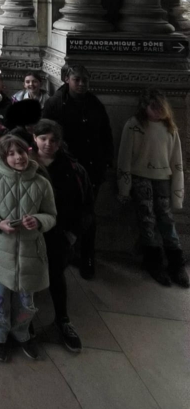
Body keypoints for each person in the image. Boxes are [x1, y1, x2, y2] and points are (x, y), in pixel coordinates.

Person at [0, 134, 57, 362]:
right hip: (0, 249)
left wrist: (39, 221)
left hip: (31, 251)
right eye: (10, 154)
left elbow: (51, 214)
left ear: (28, 152)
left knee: (26, 299)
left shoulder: (41, 182)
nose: (17, 157)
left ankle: (22, 331)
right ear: (3, 157)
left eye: (20, 152)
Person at [42, 65, 113, 279]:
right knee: (63, 211)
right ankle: (65, 253)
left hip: (91, 168)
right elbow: (45, 132)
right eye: (77, 79)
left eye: (85, 80)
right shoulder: (55, 103)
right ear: (67, 79)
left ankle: (87, 256)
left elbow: (105, 134)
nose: (81, 84)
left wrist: (107, 162)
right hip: (64, 168)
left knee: (87, 214)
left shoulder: (95, 104)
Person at [117, 88, 188, 287]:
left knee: (166, 219)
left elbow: (177, 162)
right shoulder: (134, 126)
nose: (156, 111)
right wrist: (124, 187)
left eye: (160, 107)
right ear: (144, 107)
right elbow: (125, 159)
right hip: (141, 179)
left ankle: (176, 263)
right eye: (152, 106)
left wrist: (178, 194)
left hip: (162, 179)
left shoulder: (170, 129)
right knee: (147, 219)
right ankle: (153, 261)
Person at [33, 119, 93, 351]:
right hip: (29, 232)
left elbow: (85, 205)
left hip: (59, 233)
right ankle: (22, 322)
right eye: (43, 138)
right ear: (35, 139)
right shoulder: (22, 162)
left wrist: (73, 234)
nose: (48, 144)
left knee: (56, 276)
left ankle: (62, 319)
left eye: (53, 140)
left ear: (60, 143)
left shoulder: (73, 170)